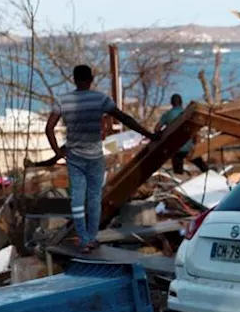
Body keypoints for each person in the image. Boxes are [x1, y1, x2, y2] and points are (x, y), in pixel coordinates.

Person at [45, 65, 157, 251]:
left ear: (74, 79)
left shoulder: (63, 101)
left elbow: (49, 129)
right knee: (95, 198)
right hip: (95, 156)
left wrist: (58, 152)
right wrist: (148, 134)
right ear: (91, 79)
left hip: (73, 157)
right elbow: (124, 118)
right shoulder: (100, 99)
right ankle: (92, 237)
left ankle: (82, 238)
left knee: (77, 198)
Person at [158, 94, 207, 175]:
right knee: (203, 167)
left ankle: (179, 177)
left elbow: (157, 128)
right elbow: (194, 130)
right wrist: (194, 143)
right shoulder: (187, 113)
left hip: (175, 149)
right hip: (188, 147)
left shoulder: (167, 115)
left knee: (178, 173)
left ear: (171, 103)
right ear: (181, 102)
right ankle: (211, 176)